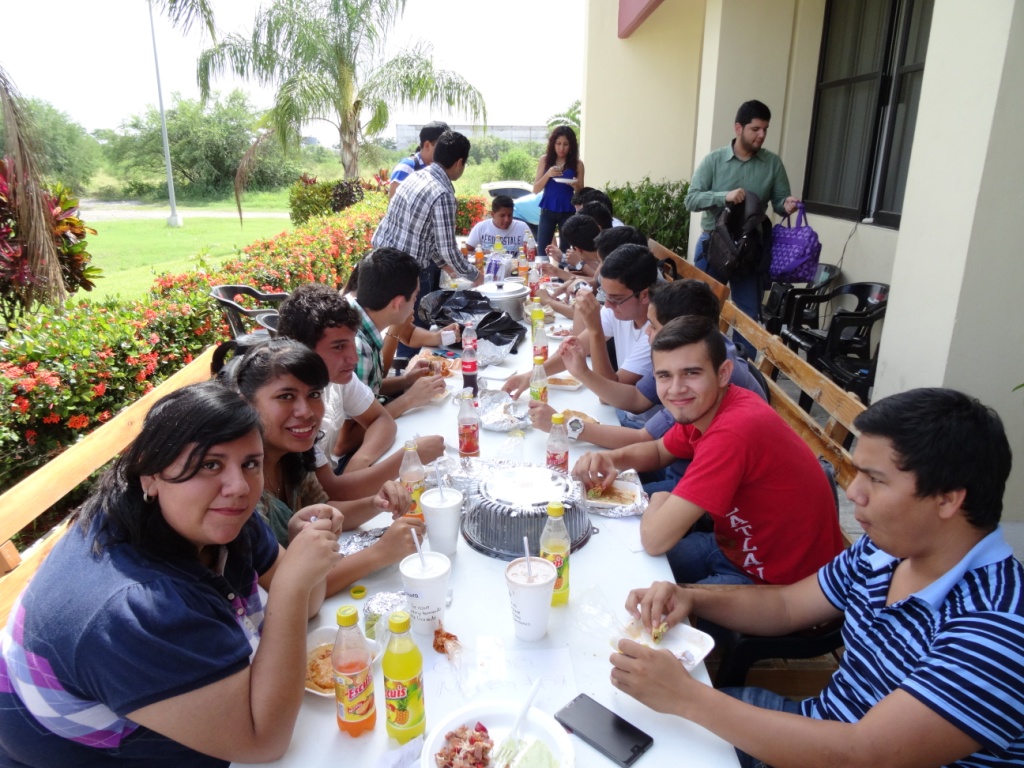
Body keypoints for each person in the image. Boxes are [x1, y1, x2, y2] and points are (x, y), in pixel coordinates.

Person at [612, 387, 1024, 768]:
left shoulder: (998, 627)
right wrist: (691, 598)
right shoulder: (886, 550)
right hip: (817, 725)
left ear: (947, 499)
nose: (854, 492)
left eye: (875, 479)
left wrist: (687, 698)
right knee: (623, 719)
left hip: (842, 753)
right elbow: (787, 606)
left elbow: (864, 755)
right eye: (857, 473)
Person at [0, 382, 340, 766]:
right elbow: (264, 743)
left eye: (251, 463)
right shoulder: (135, 607)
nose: (239, 487)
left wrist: (302, 554)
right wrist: (291, 585)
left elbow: (308, 607)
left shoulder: (214, 516)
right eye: (209, 464)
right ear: (150, 474)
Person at [575, 315, 843, 585]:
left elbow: (655, 539)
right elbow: (658, 451)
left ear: (723, 373)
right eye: (664, 376)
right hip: (733, 547)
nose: (676, 389)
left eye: (691, 373)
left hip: (779, 582)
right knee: (615, 567)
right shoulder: (708, 407)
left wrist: (658, 499)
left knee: (634, 584)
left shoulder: (733, 431)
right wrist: (611, 458)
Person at [527, 281, 766, 495]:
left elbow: (645, 437)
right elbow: (637, 402)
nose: (646, 332)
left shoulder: (701, 382)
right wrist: (582, 373)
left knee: (580, 494)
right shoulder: (688, 353)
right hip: (675, 460)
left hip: (701, 481)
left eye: (652, 325)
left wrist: (565, 426)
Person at [230, 339, 422, 597]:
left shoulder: (295, 453)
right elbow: (291, 590)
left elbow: (325, 510)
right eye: (286, 396)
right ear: (246, 404)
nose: (306, 412)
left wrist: (377, 503)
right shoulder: (238, 486)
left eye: (314, 394)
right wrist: (379, 553)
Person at [275, 283, 446, 496]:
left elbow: (381, 420)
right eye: (338, 347)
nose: (353, 358)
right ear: (302, 350)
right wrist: (409, 456)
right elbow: (329, 495)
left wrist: (357, 465)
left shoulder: (337, 378)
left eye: (351, 344)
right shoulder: (293, 410)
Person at [684, 100, 799, 358]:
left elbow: (780, 203)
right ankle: (698, 362)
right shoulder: (714, 160)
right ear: (739, 128)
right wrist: (723, 196)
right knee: (700, 309)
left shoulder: (772, 163)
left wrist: (787, 205)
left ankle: (741, 369)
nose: (761, 135)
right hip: (714, 244)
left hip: (751, 249)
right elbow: (691, 200)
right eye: (755, 129)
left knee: (748, 316)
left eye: (765, 129)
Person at [372, 130, 480, 355]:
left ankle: (399, 367)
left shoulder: (416, 176)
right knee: (407, 328)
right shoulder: (443, 193)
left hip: (380, 261)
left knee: (392, 326)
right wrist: (476, 276)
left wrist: (446, 266)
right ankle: (406, 370)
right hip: (405, 270)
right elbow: (447, 248)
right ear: (459, 163)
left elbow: (426, 237)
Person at [504, 244, 658, 399]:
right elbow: (577, 347)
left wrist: (595, 330)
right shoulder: (617, 309)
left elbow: (607, 396)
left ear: (644, 295)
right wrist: (532, 375)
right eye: (605, 295)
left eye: (616, 299)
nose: (607, 305)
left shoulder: (655, 333)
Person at [533, 126, 585, 252]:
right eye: (558, 143)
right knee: (542, 248)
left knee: (565, 250)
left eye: (565, 144)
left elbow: (581, 193)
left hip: (568, 210)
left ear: (571, 145)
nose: (561, 148)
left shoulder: (578, 164)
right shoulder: (545, 160)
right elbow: (536, 189)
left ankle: (562, 266)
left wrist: (576, 186)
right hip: (547, 209)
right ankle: (544, 266)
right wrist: (548, 174)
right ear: (553, 144)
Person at [387, 120, 449, 199]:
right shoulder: (407, 167)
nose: (446, 152)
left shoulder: (440, 169)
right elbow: (394, 204)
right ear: (427, 145)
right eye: (442, 148)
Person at [465, 194, 531, 253]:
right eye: (502, 216)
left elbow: (533, 252)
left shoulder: (522, 228)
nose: (507, 220)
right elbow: (465, 251)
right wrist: (484, 254)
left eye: (509, 215)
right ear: (492, 214)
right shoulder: (481, 227)